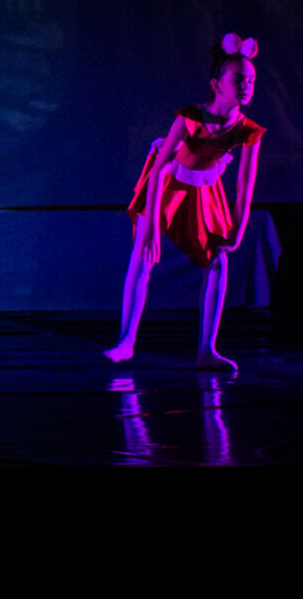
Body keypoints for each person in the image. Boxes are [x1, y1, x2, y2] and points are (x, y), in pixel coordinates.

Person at [104, 33, 265, 372]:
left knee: (218, 261)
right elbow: (159, 170)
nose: (246, 86)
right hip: (166, 184)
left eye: (250, 81)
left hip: (204, 190)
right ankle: (126, 342)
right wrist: (150, 228)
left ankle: (207, 350)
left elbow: (244, 186)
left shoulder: (247, 130)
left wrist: (237, 231)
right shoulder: (191, 117)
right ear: (216, 85)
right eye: (238, 79)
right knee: (143, 254)